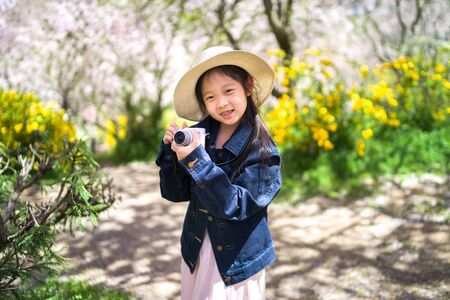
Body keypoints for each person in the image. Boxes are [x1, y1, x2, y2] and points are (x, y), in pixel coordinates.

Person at [156, 46, 282, 299]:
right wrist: (172, 152)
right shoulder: (200, 136)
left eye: (228, 91)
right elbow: (174, 192)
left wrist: (195, 160)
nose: (222, 103)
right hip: (197, 250)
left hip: (235, 260)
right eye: (210, 97)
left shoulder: (263, 150)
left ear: (248, 86)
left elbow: (234, 206)